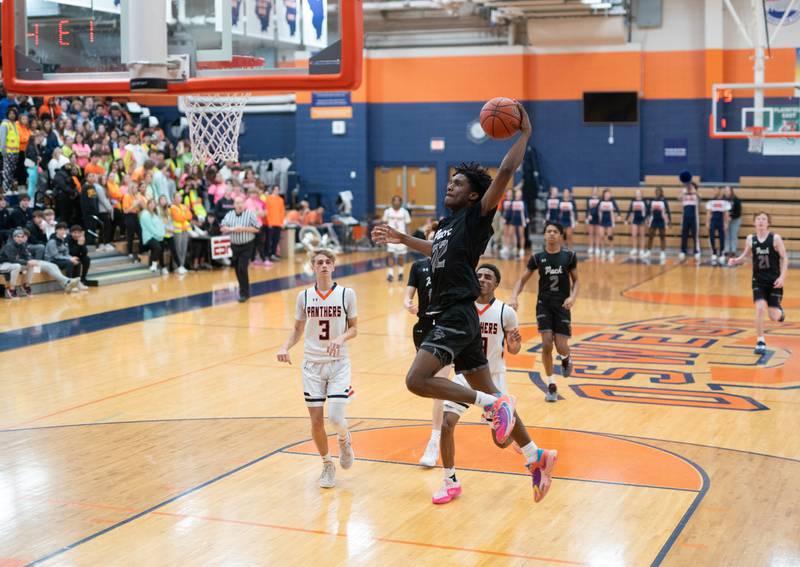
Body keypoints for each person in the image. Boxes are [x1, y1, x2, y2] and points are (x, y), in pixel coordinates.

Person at [372, 103, 558, 503]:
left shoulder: (476, 216)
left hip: (455, 314)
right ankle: (535, 455)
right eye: (450, 182)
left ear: (474, 194)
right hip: (459, 318)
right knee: (488, 394)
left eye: (457, 184)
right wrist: (403, 240)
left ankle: (493, 404)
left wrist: (524, 136)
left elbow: (505, 173)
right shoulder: (446, 227)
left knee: (417, 381)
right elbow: (436, 250)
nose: (449, 187)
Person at [436, 264, 522, 504]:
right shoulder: (463, 309)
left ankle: (511, 427)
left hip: (493, 377)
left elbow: (514, 350)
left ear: (496, 284)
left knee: (501, 442)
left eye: (488, 277)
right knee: (446, 423)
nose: (482, 279)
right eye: (479, 276)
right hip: (464, 373)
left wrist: (515, 343)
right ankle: (449, 480)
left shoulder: (505, 312)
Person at [276, 249, 358, 488]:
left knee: (335, 416)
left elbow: (354, 328)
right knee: (316, 421)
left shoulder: (346, 294)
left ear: (333, 266)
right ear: (313, 267)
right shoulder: (303, 296)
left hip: (338, 363)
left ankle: (344, 439)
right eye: (319, 262)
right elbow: (298, 329)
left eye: (327, 262)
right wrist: (285, 347)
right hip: (311, 365)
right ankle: (327, 464)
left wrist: (340, 339)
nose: (324, 265)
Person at [510, 222, 579, 402]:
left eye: (555, 231)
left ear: (561, 236)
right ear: (544, 235)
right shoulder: (537, 257)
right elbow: (522, 280)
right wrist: (514, 297)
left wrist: (572, 297)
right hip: (544, 305)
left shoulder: (569, 256)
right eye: (548, 231)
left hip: (562, 306)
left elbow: (577, 281)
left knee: (561, 345)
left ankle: (566, 358)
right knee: (547, 344)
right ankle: (551, 384)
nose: (551, 234)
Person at [403, 222, 452, 468]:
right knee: (426, 383)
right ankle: (460, 402)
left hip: (446, 328)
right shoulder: (418, 266)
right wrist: (407, 303)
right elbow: (408, 294)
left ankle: (434, 439)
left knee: (441, 386)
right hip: (423, 327)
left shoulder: (451, 265)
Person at [728, 212, 787, 354]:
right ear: (754, 223)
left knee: (774, 316)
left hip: (774, 282)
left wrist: (782, 277)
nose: (761, 221)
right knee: (759, 308)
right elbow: (747, 254)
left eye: (764, 219)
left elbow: (784, 258)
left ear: (768, 223)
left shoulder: (775, 238)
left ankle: (780, 313)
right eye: (758, 219)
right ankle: (760, 340)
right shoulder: (750, 239)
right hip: (758, 281)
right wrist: (737, 260)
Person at [0, 228, 79, 296]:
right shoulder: (20, 246)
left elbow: (28, 257)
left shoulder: (23, 245)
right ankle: (67, 281)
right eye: (20, 237)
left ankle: (66, 283)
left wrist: (30, 261)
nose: (23, 238)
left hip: (30, 263)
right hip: (25, 265)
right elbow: (14, 260)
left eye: (24, 236)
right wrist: (30, 263)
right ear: (14, 237)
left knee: (53, 265)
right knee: (47, 266)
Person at [221, 196, 261, 302]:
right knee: (237, 269)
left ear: (244, 204)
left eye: (241, 203)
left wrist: (243, 229)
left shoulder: (250, 214)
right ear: (234, 205)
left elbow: (257, 228)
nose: (239, 205)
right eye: (237, 203)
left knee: (242, 268)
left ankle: (244, 293)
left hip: (247, 245)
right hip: (234, 246)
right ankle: (244, 290)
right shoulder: (229, 215)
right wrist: (232, 229)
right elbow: (222, 228)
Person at [45, 222, 90, 291]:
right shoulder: (52, 241)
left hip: (60, 259)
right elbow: (55, 255)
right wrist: (70, 259)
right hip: (52, 260)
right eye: (60, 229)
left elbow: (66, 253)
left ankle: (77, 283)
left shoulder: (63, 240)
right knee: (69, 262)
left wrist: (71, 258)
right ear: (56, 230)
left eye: (64, 229)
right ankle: (69, 283)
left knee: (77, 262)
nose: (62, 231)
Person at [382, 195, 411, 282]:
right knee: (390, 255)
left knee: (400, 257)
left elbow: (408, 225)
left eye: (398, 201)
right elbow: (384, 224)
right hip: (390, 236)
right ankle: (390, 274)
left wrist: (409, 239)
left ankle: (400, 273)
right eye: (395, 200)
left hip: (401, 237)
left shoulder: (405, 212)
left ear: (401, 202)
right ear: (392, 202)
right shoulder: (387, 211)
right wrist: (383, 236)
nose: (396, 202)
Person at [139, 199, 168, 275]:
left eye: (154, 203)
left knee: (160, 246)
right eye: (150, 203)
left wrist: (161, 234)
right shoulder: (145, 214)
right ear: (148, 204)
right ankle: (154, 265)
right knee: (157, 247)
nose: (152, 205)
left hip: (155, 236)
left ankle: (158, 266)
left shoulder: (154, 214)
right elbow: (150, 228)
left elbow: (159, 225)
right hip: (148, 236)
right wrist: (160, 234)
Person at [644, 187, 671, 263]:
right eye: (656, 191)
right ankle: (649, 251)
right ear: (655, 192)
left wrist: (669, 221)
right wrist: (646, 218)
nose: (657, 193)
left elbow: (668, 211)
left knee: (662, 236)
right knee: (650, 236)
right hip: (654, 220)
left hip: (662, 220)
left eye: (659, 191)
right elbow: (648, 211)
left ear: (661, 192)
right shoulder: (652, 201)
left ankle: (662, 252)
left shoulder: (664, 201)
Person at [706, 187, 731, 266]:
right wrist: (707, 222)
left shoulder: (725, 202)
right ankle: (714, 253)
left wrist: (726, 223)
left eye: (716, 190)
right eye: (714, 190)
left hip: (721, 220)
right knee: (712, 236)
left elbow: (726, 213)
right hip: (713, 220)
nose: (714, 191)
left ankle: (721, 253)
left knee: (722, 237)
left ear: (719, 191)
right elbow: (709, 213)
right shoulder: (711, 201)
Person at [679, 175, 701, 262]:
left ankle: (696, 251)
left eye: (691, 186)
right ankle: (683, 251)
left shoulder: (696, 195)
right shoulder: (684, 193)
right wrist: (684, 191)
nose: (689, 187)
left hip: (694, 218)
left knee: (695, 235)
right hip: (685, 217)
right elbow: (679, 198)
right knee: (684, 234)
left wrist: (694, 191)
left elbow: (700, 199)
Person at [0, 107, 21, 195]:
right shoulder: (5, 124)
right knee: (7, 172)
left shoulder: (15, 124)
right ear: (8, 114)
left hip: (15, 152)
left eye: (14, 113)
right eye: (10, 113)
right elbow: (2, 138)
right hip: (8, 152)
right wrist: (3, 151)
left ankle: (10, 189)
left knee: (12, 172)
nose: (12, 115)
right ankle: (5, 190)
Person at [596, 188, 620, 260]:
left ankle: (611, 250)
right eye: (606, 194)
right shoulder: (600, 201)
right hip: (602, 220)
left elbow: (617, 208)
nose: (607, 195)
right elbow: (595, 209)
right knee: (601, 236)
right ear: (604, 195)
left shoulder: (612, 201)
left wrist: (619, 215)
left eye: (608, 194)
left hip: (609, 220)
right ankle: (603, 250)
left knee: (610, 236)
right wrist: (590, 215)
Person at [625, 189, 648, 259]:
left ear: (641, 194)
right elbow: (629, 210)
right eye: (636, 193)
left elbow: (647, 211)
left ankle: (642, 250)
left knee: (642, 235)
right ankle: (634, 249)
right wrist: (626, 219)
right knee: (634, 234)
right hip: (635, 219)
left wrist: (646, 219)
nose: (638, 194)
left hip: (642, 219)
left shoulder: (644, 201)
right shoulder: (633, 201)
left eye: (639, 193)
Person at [724, 185, 742, 261]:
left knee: (733, 235)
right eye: (725, 190)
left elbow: (739, 211)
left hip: (735, 219)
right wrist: (726, 218)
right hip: (726, 219)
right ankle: (727, 250)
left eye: (728, 190)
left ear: (731, 191)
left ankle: (733, 251)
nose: (726, 192)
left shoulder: (736, 199)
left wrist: (731, 217)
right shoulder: (723, 199)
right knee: (727, 235)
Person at [510, 186, 528, 258]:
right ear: (515, 194)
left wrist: (526, 218)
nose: (518, 194)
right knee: (512, 234)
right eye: (517, 193)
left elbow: (525, 211)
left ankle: (522, 249)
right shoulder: (512, 201)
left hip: (521, 220)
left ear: (521, 194)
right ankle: (515, 247)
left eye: (519, 193)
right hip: (513, 220)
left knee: (521, 235)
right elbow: (510, 211)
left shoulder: (523, 202)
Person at [585, 187, 601, 257]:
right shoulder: (589, 199)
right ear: (592, 191)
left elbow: (600, 209)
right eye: (593, 190)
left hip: (597, 218)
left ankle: (597, 248)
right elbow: (587, 209)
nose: (594, 191)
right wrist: (587, 216)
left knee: (597, 233)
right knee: (591, 233)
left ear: (597, 191)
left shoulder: (600, 199)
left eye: (596, 190)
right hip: (590, 218)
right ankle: (591, 247)